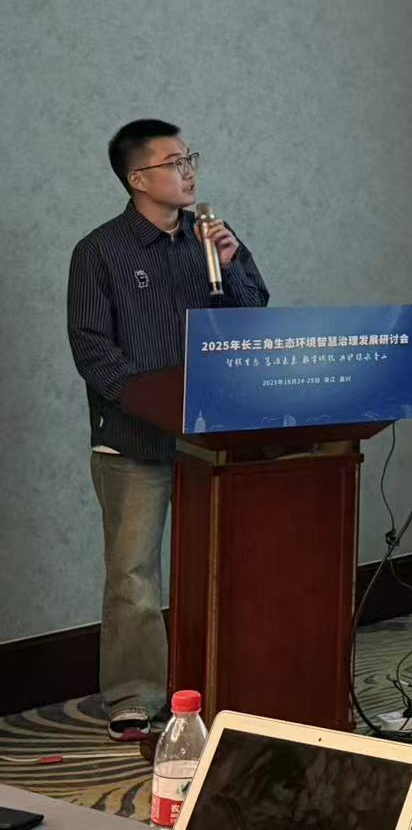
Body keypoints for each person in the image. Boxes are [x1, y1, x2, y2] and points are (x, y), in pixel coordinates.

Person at [66, 120, 269, 741]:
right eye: (174, 162)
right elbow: (92, 348)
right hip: (134, 440)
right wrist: (151, 402)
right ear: (138, 178)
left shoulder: (212, 239)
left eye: (190, 159)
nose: (189, 172)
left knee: (220, 565)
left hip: (211, 439)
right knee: (133, 573)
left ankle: (220, 680)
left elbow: (251, 317)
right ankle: (134, 697)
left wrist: (230, 264)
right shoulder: (100, 251)